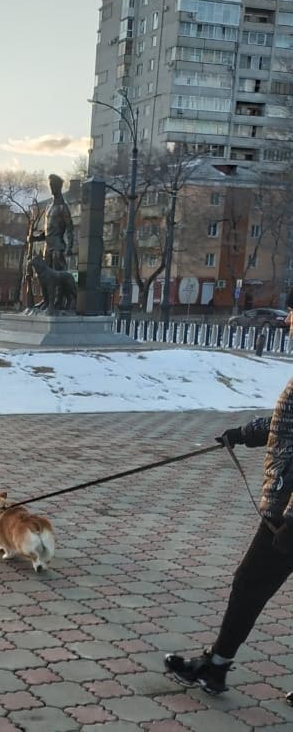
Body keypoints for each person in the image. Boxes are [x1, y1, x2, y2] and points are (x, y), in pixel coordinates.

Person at [165, 296, 293, 701]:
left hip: (289, 516)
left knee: (249, 584)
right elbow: (285, 424)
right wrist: (243, 434)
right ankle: (216, 668)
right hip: (282, 511)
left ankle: (216, 667)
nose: (288, 321)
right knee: (249, 585)